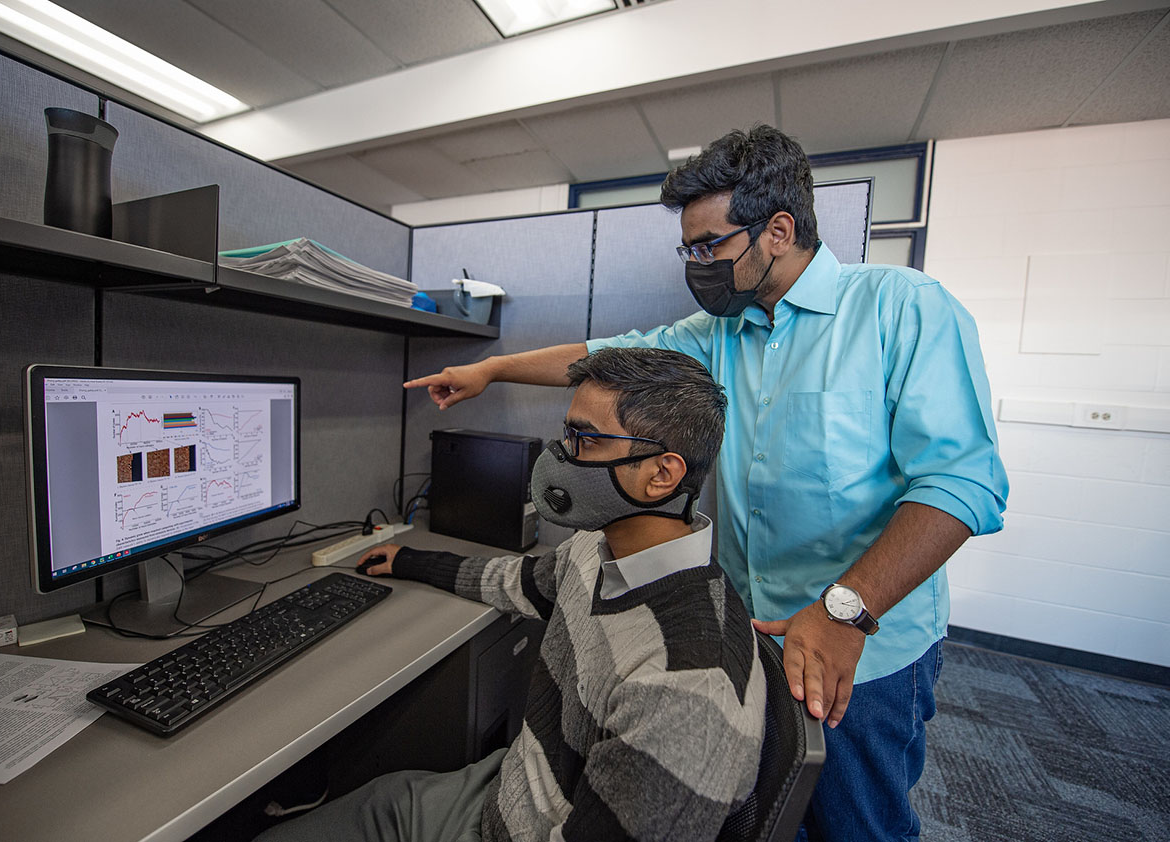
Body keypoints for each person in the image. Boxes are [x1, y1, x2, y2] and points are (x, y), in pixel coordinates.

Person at [403, 125, 1009, 841]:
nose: (696, 264)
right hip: (752, 632)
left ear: (778, 231)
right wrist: (491, 369)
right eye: (687, 248)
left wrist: (846, 611)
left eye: (708, 246)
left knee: (857, 827)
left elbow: (963, 484)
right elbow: (603, 355)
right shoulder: (717, 334)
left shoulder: (900, 308)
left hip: (864, 645)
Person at [257, 347, 766, 842]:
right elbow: (519, 581)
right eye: (566, 433)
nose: (560, 456)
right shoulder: (598, 550)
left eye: (583, 440)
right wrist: (410, 560)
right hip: (503, 793)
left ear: (661, 474)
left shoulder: (689, 690)